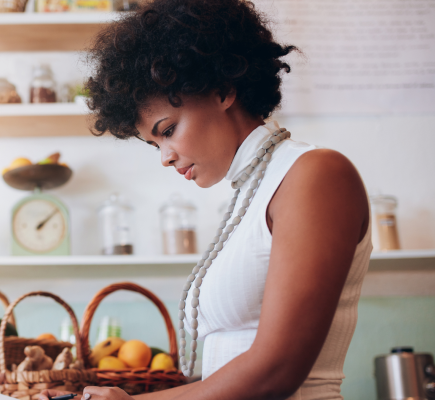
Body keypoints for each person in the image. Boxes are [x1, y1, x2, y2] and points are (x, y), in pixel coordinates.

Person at [39, 0, 372, 399]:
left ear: (223, 90)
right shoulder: (250, 194)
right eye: (153, 144)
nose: (165, 157)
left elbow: (277, 371)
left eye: (168, 129)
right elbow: (227, 371)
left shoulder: (315, 175)